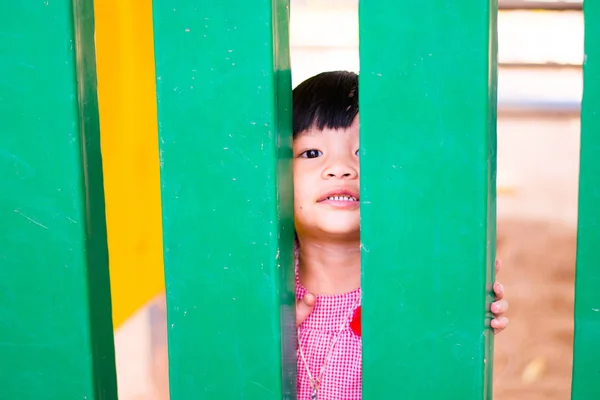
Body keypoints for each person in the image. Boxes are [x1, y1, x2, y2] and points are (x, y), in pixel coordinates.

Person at [292, 70, 509, 400]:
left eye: (363, 152)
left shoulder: (414, 286)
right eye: (311, 153)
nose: (340, 168)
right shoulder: (252, 287)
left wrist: (460, 319)